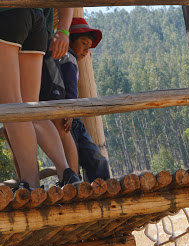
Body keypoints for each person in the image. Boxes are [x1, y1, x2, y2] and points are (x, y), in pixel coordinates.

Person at [0, 8, 80, 191]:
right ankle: (67, 172)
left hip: (7, 15)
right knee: (31, 108)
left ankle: (31, 184)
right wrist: (63, 30)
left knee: (12, 106)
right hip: (38, 21)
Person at [52, 17, 110, 182]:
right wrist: (71, 110)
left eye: (89, 47)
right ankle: (102, 188)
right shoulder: (68, 58)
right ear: (69, 39)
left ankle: (77, 184)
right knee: (95, 159)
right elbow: (70, 87)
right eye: (83, 43)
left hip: (70, 118)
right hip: (71, 119)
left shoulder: (62, 58)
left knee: (75, 160)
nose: (86, 50)